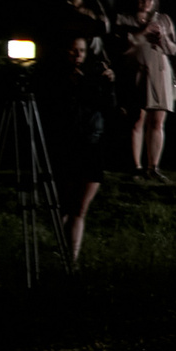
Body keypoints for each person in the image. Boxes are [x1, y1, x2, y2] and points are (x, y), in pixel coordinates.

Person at [41, 36, 115, 263]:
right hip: (67, 148)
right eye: (74, 50)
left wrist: (108, 83)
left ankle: (71, 259)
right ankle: (61, 251)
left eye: (82, 51)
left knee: (79, 209)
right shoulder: (56, 79)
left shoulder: (94, 78)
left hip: (91, 147)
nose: (78, 55)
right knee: (64, 206)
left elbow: (108, 107)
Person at [111, 0, 176, 179]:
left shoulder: (164, 20)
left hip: (160, 73)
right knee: (136, 119)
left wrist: (163, 39)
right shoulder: (124, 20)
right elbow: (122, 47)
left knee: (157, 121)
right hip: (136, 73)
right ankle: (136, 166)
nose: (146, 3)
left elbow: (174, 49)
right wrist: (143, 32)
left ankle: (153, 166)